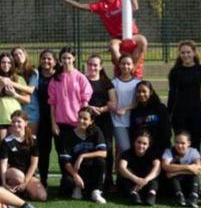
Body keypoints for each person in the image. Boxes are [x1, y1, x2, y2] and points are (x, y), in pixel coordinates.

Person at [52, 0, 148, 66]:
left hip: (132, 34)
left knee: (143, 41)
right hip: (117, 37)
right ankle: (122, 67)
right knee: (113, 46)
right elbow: (81, 6)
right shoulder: (101, 5)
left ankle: (132, 67)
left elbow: (135, 7)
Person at [48, 47, 93, 162]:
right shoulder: (55, 79)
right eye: (64, 58)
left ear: (74, 58)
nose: (66, 61)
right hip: (60, 124)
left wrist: (83, 122)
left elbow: (85, 102)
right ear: (60, 60)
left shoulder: (81, 78)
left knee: (77, 154)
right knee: (62, 154)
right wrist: (53, 124)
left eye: (69, 58)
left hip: (77, 124)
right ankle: (66, 179)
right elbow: (52, 103)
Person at [59, 107, 108, 204]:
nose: (81, 121)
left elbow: (103, 153)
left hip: (91, 169)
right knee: (67, 182)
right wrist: (75, 176)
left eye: (85, 119)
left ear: (91, 121)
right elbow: (66, 161)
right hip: (76, 170)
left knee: (101, 161)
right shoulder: (69, 135)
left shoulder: (96, 131)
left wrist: (82, 156)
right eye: (80, 117)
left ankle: (96, 191)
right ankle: (77, 188)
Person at [167, 40, 201, 149]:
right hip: (179, 114)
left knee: (195, 145)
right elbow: (172, 93)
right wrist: (168, 114)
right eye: (183, 53)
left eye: (188, 52)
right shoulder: (175, 71)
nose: (185, 55)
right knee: (181, 146)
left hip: (197, 113)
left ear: (194, 53)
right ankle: (181, 166)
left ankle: (195, 166)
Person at [0, 111, 47, 202]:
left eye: (19, 122)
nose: (15, 124)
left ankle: (22, 191)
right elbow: (3, 165)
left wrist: (25, 183)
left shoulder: (33, 140)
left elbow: (34, 165)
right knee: (18, 175)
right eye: (13, 122)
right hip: (12, 173)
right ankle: (9, 188)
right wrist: (4, 182)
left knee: (42, 196)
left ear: (26, 123)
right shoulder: (6, 142)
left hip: (27, 175)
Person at [84, 54, 116, 190]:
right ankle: (89, 181)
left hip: (104, 120)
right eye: (90, 64)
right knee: (89, 148)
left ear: (101, 66)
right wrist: (90, 109)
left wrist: (101, 109)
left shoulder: (106, 82)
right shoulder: (83, 80)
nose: (92, 67)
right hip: (88, 121)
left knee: (107, 148)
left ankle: (108, 179)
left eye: (95, 65)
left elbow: (113, 103)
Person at [0, 53, 28, 142]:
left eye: (9, 62)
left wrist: (14, 94)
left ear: (13, 64)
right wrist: (0, 87)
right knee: (2, 149)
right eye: (3, 62)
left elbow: (27, 100)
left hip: (16, 120)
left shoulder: (19, 79)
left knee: (16, 149)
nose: (6, 65)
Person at [129, 81, 171, 159]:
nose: (141, 94)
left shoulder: (160, 108)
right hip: (141, 148)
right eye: (139, 91)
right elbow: (132, 131)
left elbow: (166, 131)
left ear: (151, 92)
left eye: (144, 91)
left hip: (159, 148)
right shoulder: (135, 110)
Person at [117, 132, 160, 206]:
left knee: (155, 176)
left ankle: (151, 195)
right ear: (134, 142)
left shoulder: (152, 154)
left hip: (146, 181)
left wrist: (145, 180)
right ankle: (134, 194)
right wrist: (136, 179)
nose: (141, 145)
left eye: (144, 144)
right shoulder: (126, 153)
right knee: (124, 176)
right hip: (133, 182)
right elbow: (122, 168)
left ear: (149, 145)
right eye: (139, 142)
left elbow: (157, 167)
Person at [161, 131, 201, 208]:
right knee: (173, 178)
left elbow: (199, 169)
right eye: (177, 142)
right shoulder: (169, 151)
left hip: (189, 185)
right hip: (174, 186)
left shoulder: (193, 151)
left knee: (194, 176)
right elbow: (165, 166)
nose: (179, 146)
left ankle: (193, 197)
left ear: (189, 143)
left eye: (183, 143)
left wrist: (176, 172)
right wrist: (188, 167)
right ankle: (179, 197)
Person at [112, 56, 140, 167]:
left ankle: (129, 176)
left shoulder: (137, 83)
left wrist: (126, 109)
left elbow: (139, 102)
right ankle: (121, 176)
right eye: (123, 64)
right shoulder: (113, 83)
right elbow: (110, 102)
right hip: (118, 122)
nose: (125, 66)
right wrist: (116, 109)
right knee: (125, 148)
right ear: (119, 65)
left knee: (133, 149)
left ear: (133, 65)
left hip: (134, 122)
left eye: (128, 64)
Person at [35, 50, 57, 187]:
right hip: (41, 118)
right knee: (43, 150)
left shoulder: (60, 76)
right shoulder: (35, 75)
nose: (46, 61)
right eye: (43, 58)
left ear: (55, 61)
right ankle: (43, 180)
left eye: (49, 59)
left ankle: (68, 181)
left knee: (62, 150)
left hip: (58, 118)